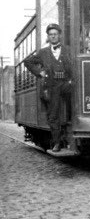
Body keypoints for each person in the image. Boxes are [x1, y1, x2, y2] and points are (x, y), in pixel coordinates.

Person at [24, 23, 72, 152]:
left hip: (66, 84)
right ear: (48, 37)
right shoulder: (43, 52)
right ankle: (57, 143)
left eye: (55, 34)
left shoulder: (68, 50)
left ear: (59, 35)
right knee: (53, 114)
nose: (53, 37)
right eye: (51, 35)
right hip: (51, 86)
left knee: (76, 100)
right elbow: (28, 62)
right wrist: (39, 72)